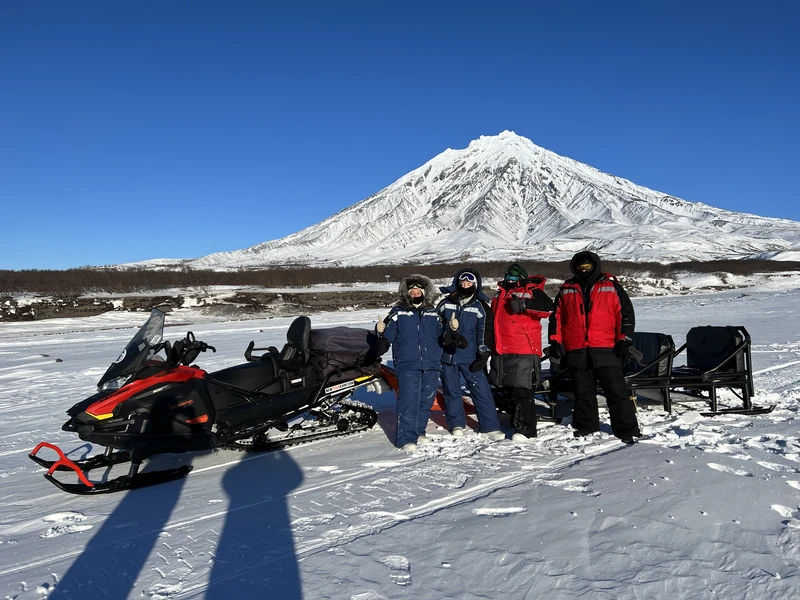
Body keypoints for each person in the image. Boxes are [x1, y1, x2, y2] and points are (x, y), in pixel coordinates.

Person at [547, 251, 642, 444]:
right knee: (583, 392)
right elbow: (556, 318)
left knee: (616, 391)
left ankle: (626, 429)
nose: (583, 269)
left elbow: (625, 316)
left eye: (587, 266)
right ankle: (585, 425)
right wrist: (555, 341)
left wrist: (624, 340)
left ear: (595, 266)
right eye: (580, 266)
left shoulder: (611, 287)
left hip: (606, 347)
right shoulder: (566, 289)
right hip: (577, 348)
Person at [376, 274, 446, 452]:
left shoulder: (433, 313)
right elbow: (388, 337)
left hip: (431, 363)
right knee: (409, 400)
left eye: (418, 291)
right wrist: (380, 331)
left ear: (424, 292)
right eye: (412, 291)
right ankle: (406, 438)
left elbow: (442, 337)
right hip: (408, 363)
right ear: (407, 294)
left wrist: (452, 331)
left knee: (425, 400)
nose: (415, 294)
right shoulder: (398, 313)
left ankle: (418, 432)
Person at [437, 268, 505, 440]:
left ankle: (490, 426)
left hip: (470, 357)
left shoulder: (480, 306)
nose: (465, 285)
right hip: (448, 357)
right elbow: (435, 326)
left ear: (476, 285)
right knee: (451, 392)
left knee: (481, 391)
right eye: (462, 282)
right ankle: (456, 424)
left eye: (469, 283)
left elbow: (485, 332)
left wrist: (483, 354)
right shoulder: (446, 303)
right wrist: (444, 336)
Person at [490, 263, 554, 442]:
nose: (510, 277)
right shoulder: (499, 294)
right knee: (506, 388)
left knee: (522, 390)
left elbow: (548, 308)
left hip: (523, 347)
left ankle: (526, 429)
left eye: (515, 274)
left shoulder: (531, 290)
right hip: (501, 347)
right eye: (508, 274)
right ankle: (515, 421)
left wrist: (525, 304)